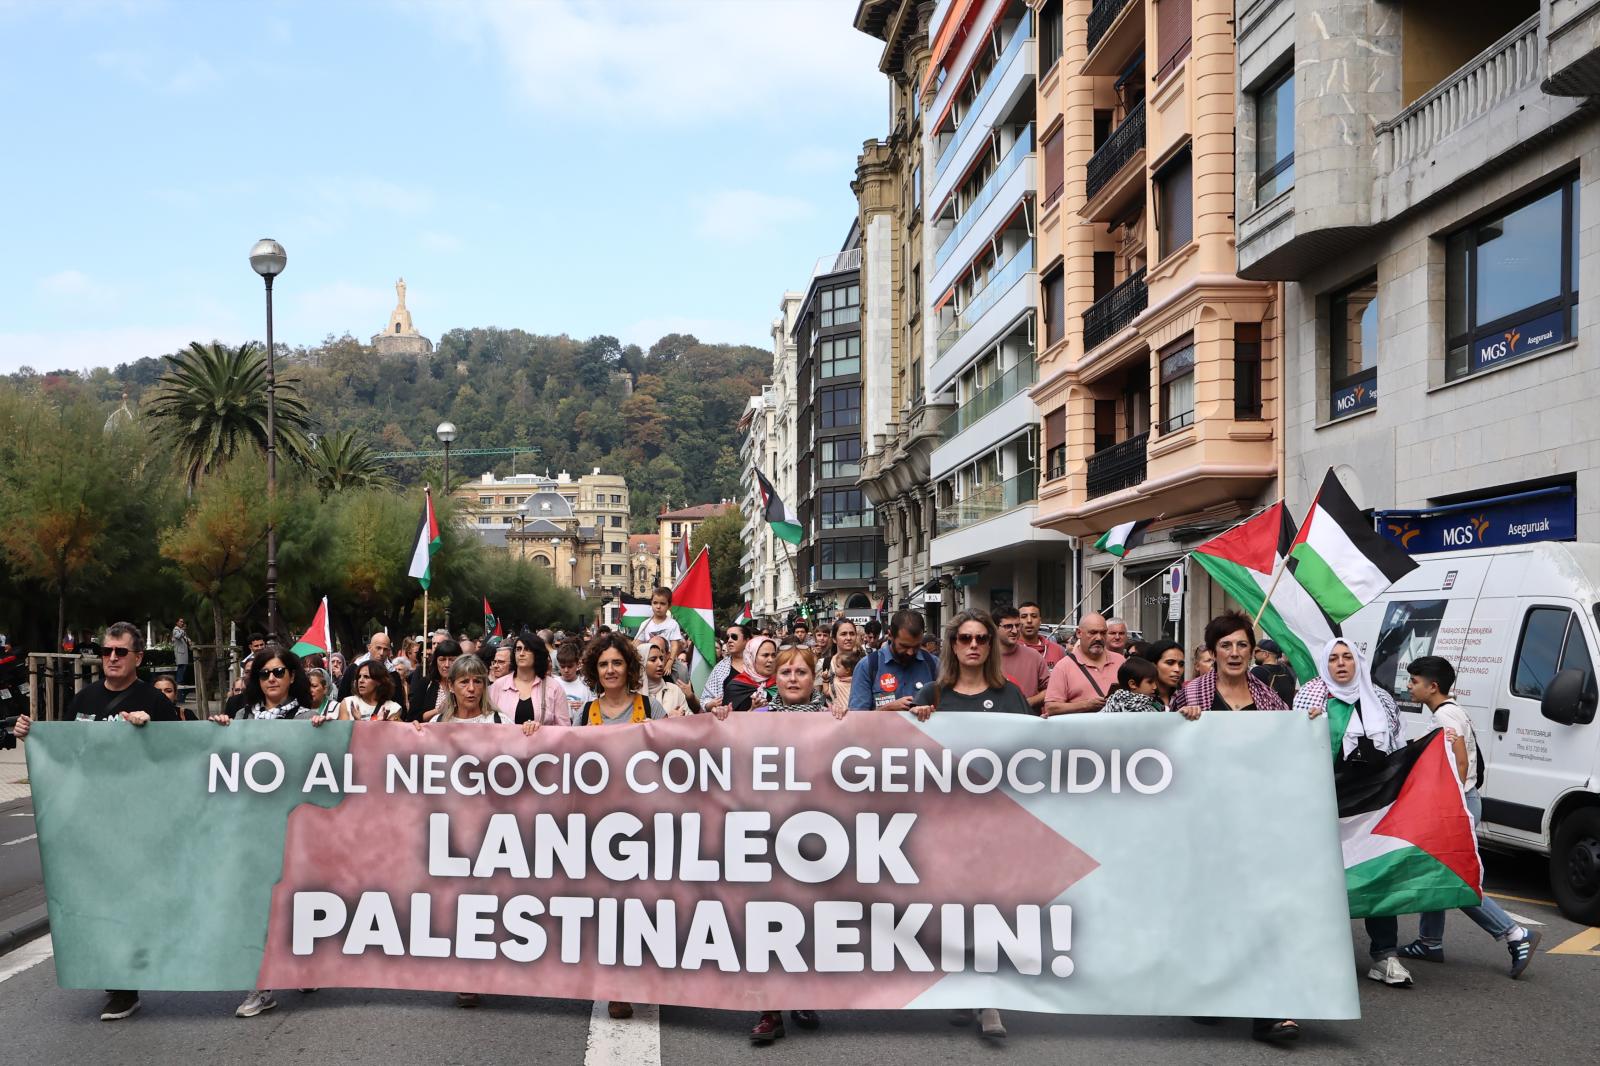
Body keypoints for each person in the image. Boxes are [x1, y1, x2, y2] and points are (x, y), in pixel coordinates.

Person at [1172, 613, 1310, 1043]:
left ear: (1253, 651)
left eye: (1241, 646)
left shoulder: (1269, 699)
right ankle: (1212, 990)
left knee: (1263, 913)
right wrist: (1180, 724)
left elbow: (1290, 752)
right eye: (1225, 646)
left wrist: (1308, 728)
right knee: (1213, 914)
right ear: (1211, 653)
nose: (1234, 653)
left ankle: (1269, 1011)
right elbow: (1161, 759)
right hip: (1204, 828)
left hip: (1258, 827)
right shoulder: (1189, 695)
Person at [913, 610, 1030, 1040]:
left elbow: (1032, 753)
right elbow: (905, 753)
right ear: (953, 644)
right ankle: (964, 990)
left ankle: (989, 999)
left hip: (996, 821)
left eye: (982, 638)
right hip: (948, 822)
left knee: (991, 907)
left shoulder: (1010, 695)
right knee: (955, 911)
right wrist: (917, 723)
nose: (974, 645)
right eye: (965, 638)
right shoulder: (934, 694)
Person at [1398, 655, 1540, 976]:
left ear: (1432, 686)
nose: (1409, 687)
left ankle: (1516, 934)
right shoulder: (1453, 710)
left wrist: (1449, 809)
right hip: (1467, 800)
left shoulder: (1445, 717)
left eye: (1414, 681)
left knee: (1454, 879)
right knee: (1435, 872)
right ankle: (1429, 941)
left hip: (1459, 804)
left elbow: (1460, 763)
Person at [745, 644, 834, 1043]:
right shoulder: (755, 719)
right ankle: (770, 1010)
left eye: (801, 672)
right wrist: (724, 720)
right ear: (773, 679)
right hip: (767, 836)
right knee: (768, 921)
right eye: (785, 673)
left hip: (817, 836)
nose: (793, 679)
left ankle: (802, 995)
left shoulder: (835, 720)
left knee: (808, 919)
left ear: (814, 678)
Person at [847, 610, 939, 712]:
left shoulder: (934, 665)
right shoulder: (867, 666)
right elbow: (857, 719)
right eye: (904, 646)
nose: (910, 652)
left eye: (916, 646)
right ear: (890, 635)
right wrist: (887, 709)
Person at [1042, 613, 1124, 717]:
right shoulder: (1064, 667)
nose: (1098, 638)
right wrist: (1085, 705)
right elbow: (1051, 708)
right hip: (1082, 731)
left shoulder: (1120, 661)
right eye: (1093, 632)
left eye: (1103, 633)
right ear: (1079, 633)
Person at [488, 631, 568, 726]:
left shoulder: (554, 687)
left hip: (542, 740)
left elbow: (564, 728)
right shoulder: (498, 686)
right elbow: (486, 722)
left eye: (527, 649)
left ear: (537, 653)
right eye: (518, 649)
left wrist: (540, 729)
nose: (521, 653)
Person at [994, 605, 1050, 711]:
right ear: (994, 627)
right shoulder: (984, 657)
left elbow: (1051, 690)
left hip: (1028, 721)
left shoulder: (1034, 656)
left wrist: (1027, 702)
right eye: (1008, 626)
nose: (1014, 631)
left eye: (1017, 625)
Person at [721, 635, 779, 713]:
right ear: (751, 657)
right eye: (765, 655)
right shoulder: (735, 687)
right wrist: (751, 711)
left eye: (773, 655)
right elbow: (728, 722)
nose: (771, 660)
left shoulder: (781, 684)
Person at [330, 660, 401, 722]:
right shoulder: (348, 703)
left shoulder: (392, 708)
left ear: (379, 681)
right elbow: (343, 735)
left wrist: (383, 724)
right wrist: (358, 722)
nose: (361, 680)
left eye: (366, 677)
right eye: (359, 677)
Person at [407, 639, 460, 722]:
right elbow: (413, 718)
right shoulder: (425, 684)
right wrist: (438, 710)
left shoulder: (466, 685)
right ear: (436, 661)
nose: (446, 665)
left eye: (451, 660)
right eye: (442, 659)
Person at [639, 636, 690, 717]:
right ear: (642, 663)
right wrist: (667, 720)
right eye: (653, 660)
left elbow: (691, 722)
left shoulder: (675, 690)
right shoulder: (631, 695)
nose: (660, 663)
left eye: (661, 659)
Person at [819, 619, 862, 715]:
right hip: (832, 718)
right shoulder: (824, 663)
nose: (848, 638)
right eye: (843, 634)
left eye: (852, 634)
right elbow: (817, 695)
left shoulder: (864, 663)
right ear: (834, 639)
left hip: (858, 716)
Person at [700, 623, 749, 704]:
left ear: (747, 640)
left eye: (734, 637)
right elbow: (706, 699)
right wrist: (711, 705)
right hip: (727, 716)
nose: (729, 640)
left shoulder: (758, 664)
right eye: (727, 638)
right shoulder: (719, 668)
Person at [339, 632, 394, 699]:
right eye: (378, 648)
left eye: (385, 649)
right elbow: (341, 697)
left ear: (389, 651)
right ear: (369, 647)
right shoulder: (353, 669)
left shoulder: (393, 673)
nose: (381, 653)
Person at [1102, 657, 1167, 713]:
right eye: (1150, 682)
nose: (1155, 687)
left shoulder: (1155, 704)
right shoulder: (1113, 706)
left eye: (1155, 682)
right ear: (1133, 684)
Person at [639, 587, 684, 664]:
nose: (658, 607)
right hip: (650, 663)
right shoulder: (645, 624)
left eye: (662, 603)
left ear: (669, 606)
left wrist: (670, 662)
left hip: (669, 662)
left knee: (682, 671)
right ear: (651, 603)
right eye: (655, 603)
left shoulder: (673, 624)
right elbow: (637, 644)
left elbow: (674, 646)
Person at [555, 641, 595, 720]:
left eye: (570, 666)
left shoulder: (586, 684)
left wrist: (585, 708)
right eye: (562, 667)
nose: (566, 670)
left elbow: (595, 707)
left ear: (578, 664)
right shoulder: (554, 684)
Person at [1017, 601, 1066, 666]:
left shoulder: (1058, 651)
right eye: (1024, 616)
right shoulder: (1010, 650)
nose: (1029, 620)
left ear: (1040, 621)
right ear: (1017, 621)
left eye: (1034, 616)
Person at [1251, 638, 1297, 705]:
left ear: (1266, 654)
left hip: (1268, 714)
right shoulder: (1288, 671)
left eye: (1256, 651)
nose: (1254, 654)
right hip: (1287, 713)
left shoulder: (1257, 671)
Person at [1143, 640, 1186, 708]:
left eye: (1181, 664)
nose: (1177, 669)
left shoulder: (1186, 696)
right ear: (1153, 665)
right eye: (1170, 662)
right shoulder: (1140, 698)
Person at [171, 618, 191, 689]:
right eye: (181, 621)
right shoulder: (176, 630)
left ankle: (180, 682)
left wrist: (188, 640)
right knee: (181, 667)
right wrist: (183, 630)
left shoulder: (181, 631)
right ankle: (178, 682)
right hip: (179, 653)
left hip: (183, 653)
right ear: (177, 622)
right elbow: (178, 636)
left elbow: (185, 639)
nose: (182, 623)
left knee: (183, 667)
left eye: (183, 622)